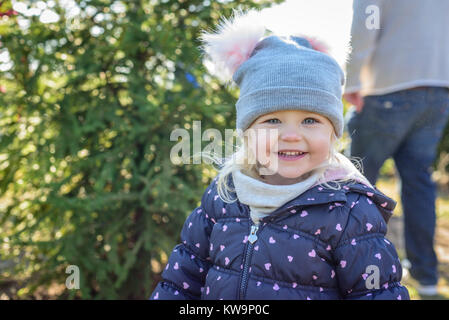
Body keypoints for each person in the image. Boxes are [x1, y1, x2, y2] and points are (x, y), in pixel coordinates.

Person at [150, 9, 409, 300]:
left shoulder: (349, 213)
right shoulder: (224, 195)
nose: (290, 135)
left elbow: (377, 293)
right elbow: (181, 280)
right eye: (272, 120)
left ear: (333, 133)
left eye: (310, 120)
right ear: (247, 132)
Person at [344, 0, 449, 296]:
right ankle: (427, 277)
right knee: (419, 182)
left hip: (389, 87)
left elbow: (366, 24)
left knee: (355, 182)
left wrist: (351, 80)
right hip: (439, 91)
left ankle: (352, 266)